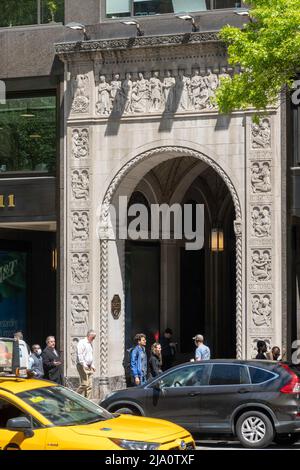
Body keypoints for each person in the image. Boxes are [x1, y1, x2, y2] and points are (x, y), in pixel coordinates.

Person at [76, 330, 96, 399]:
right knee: (85, 384)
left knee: (90, 386)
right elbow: (80, 354)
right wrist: (83, 364)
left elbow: (90, 355)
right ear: (89, 336)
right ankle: (74, 396)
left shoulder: (90, 344)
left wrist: (92, 365)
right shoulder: (82, 343)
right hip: (82, 366)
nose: (94, 339)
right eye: (93, 337)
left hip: (89, 366)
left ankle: (87, 400)